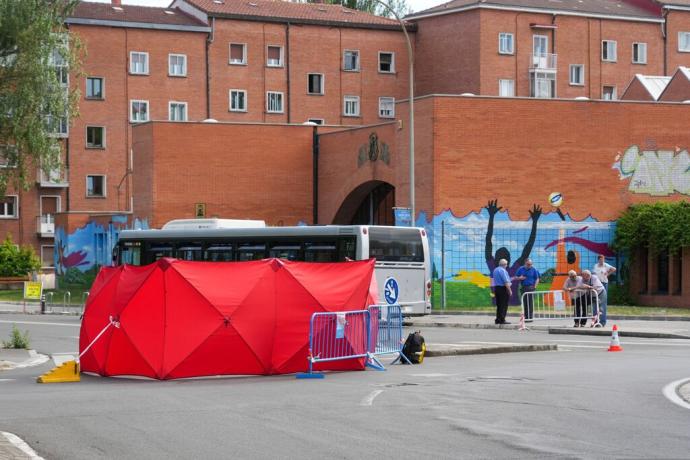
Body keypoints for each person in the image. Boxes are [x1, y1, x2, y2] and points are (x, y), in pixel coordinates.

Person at [492, 259, 512, 325]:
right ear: (504, 264)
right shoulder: (503, 270)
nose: (507, 266)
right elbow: (506, 282)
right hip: (503, 289)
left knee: (499, 305)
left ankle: (497, 319)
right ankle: (502, 319)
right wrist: (509, 290)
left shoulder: (495, 270)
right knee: (504, 305)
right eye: (506, 264)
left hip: (497, 288)